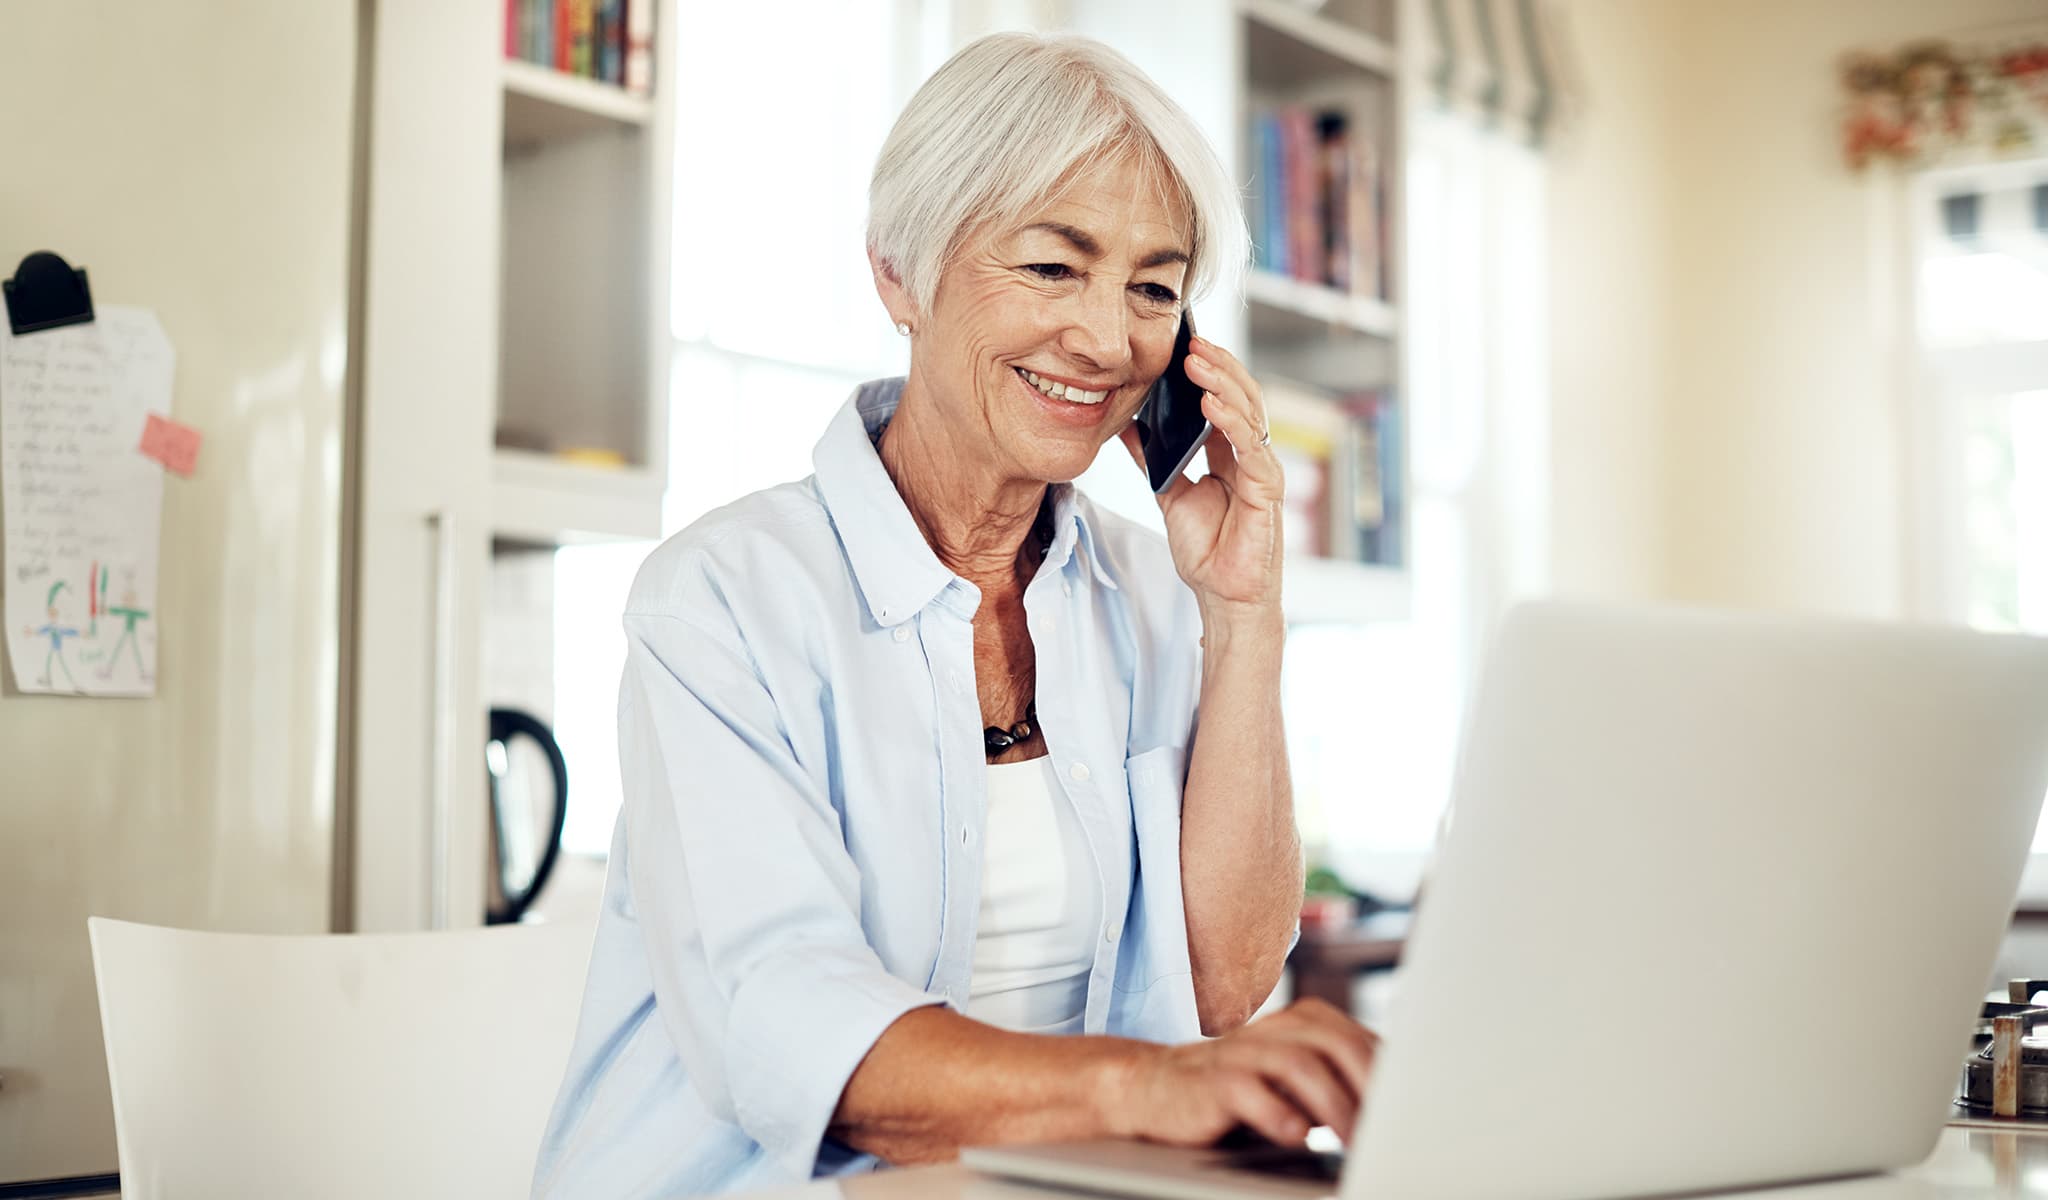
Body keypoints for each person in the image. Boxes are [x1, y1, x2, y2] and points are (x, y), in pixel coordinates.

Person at [531, 31, 1379, 1198]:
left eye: (1152, 288)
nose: (1104, 339)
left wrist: (1243, 617)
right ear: (899, 271)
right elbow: (786, 1022)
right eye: (1050, 268)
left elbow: (1224, 984)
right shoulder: (721, 599)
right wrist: (1142, 1092)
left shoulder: (1152, 593)